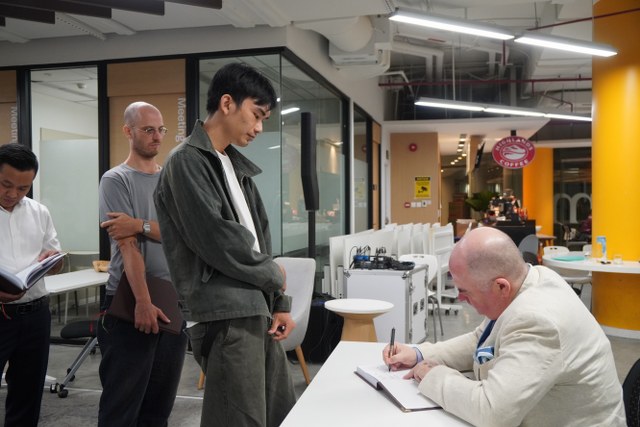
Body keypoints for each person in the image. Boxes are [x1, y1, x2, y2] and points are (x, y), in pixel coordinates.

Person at [154, 62, 297, 427]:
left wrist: (279, 302)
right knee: (238, 417)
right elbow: (217, 238)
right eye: (256, 114)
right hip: (225, 313)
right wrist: (273, 274)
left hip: (255, 308)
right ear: (228, 103)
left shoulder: (235, 166)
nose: (259, 127)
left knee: (278, 412)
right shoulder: (186, 162)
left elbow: (259, 241)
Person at [384, 226, 626, 427]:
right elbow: (481, 341)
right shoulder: (528, 279)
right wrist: (419, 354)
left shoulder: (538, 320)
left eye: (465, 291)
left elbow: (492, 412)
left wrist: (432, 375)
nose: (460, 298)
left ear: (501, 286)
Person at [97, 102, 187, 427]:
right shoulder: (115, 180)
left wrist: (139, 224)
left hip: (172, 302)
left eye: (160, 129)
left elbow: (184, 234)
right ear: (128, 131)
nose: (157, 136)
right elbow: (127, 245)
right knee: (121, 409)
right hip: (131, 301)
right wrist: (143, 302)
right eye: (148, 129)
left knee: (158, 410)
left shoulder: (171, 180)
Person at [0, 143, 63, 427]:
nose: (13, 194)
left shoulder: (39, 212)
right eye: (6, 185)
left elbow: (55, 258)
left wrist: (53, 260)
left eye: (23, 188)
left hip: (35, 314)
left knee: (28, 395)